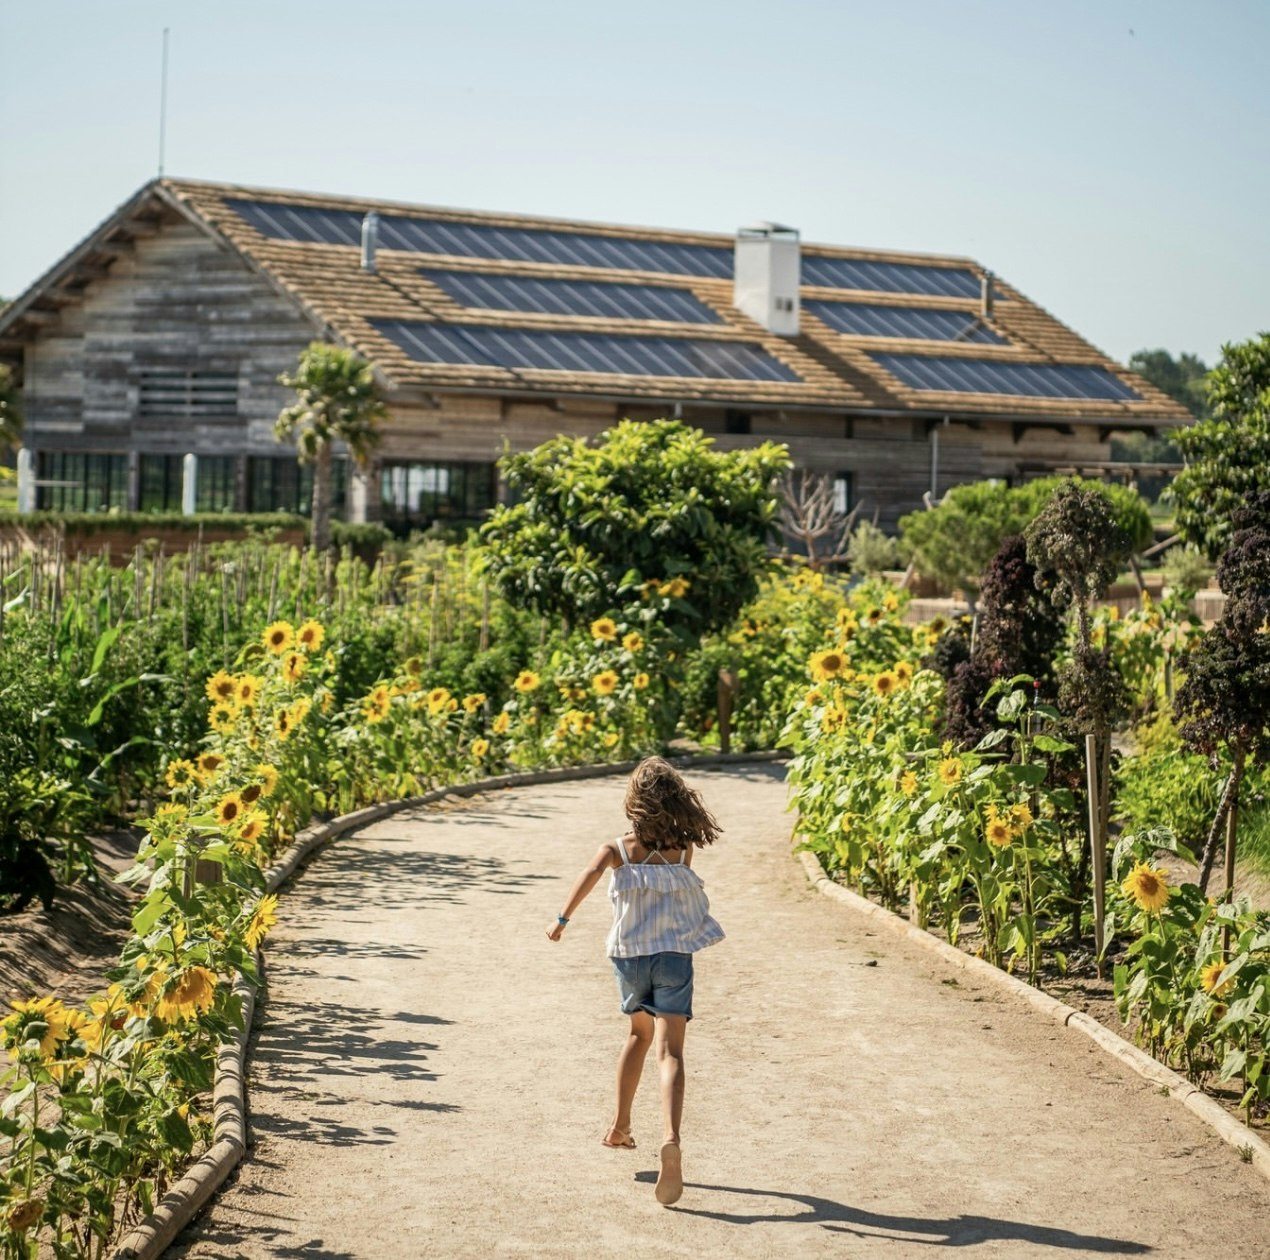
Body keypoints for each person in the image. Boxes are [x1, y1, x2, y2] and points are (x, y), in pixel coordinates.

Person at [546, 756, 724, 1206]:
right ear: (677, 801)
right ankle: (670, 1136)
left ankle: (620, 1126)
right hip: (674, 958)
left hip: (630, 959)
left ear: (636, 803)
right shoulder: (684, 850)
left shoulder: (618, 850)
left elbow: (588, 876)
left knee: (636, 1037)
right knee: (671, 1052)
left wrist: (561, 920)